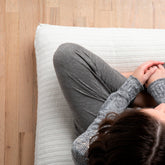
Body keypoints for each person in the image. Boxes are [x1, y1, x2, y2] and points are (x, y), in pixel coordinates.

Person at [53, 42, 165, 165]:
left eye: (156, 109)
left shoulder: (84, 150)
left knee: (67, 55)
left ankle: (141, 97)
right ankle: (145, 98)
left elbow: (101, 124)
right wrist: (160, 90)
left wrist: (132, 86)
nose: (163, 106)